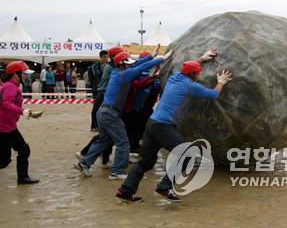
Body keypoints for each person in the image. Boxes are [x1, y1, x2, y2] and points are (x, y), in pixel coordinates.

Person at [116, 50, 232, 203]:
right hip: (163, 127)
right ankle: (165, 186)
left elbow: (188, 67)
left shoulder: (174, 78)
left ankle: (125, 191)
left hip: (151, 124)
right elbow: (213, 94)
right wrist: (221, 82)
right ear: (193, 75)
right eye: (197, 73)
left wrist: (202, 58)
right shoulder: (190, 86)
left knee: (145, 162)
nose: (199, 75)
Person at [74, 49, 169, 180]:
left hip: (104, 112)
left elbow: (137, 64)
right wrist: (161, 59)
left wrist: (151, 56)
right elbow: (140, 67)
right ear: (122, 64)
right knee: (123, 143)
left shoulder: (117, 71)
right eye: (128, 63)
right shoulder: (124, 74)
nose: (131, 65)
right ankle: (117, 172)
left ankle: (84, 163)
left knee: (104, 140)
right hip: (110, 114)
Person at [0, 61, 43, 185]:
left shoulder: (12, 86)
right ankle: (22, 178)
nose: (26, 76)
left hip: (9, 127)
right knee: (3, 160)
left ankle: (23, 178)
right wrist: (22, 111)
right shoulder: (10, 86)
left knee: (24, 150)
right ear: (15, 74)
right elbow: (7, 104)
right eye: (23, 73)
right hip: (3, 128)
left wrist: (30, 114)